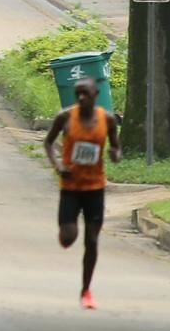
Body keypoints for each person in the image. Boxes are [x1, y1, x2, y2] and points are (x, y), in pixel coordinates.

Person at [43, 77, 122, 310]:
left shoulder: (107, 120)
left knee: (92, 240)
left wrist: (116, 154)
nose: (81, 97)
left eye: (85, 93)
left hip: (95, 187)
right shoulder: (65, 117)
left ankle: (86, 290)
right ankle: (66, 235)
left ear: (95, 94)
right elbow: (48, 143)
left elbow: (115, 145)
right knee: (69, 237)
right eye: (77, 93)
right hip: (70, 186)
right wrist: (58, 165)